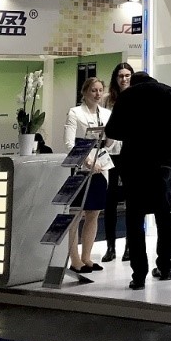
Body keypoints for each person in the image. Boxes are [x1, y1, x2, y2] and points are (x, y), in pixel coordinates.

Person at [103, 71, 171, 290]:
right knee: (164, 215)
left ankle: (139, 275)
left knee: (135, 218)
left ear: (133, 82)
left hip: (135, 163)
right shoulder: (169, 92)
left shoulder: (128, 96)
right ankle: (165, 268)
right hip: (164, 162)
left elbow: (112, 130)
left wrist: (133, 132)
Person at [63, 77, 111, 273]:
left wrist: (110, 143)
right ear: (84, 92)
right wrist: (86, 161)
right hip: (80, 167)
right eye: (93, 90)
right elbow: (69, 143)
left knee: (94, 213)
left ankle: (87, 257)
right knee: (76, 214)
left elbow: (110, 141)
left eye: (100, 90)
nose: (97, 94)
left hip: (101, 166)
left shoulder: (107, 114)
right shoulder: (75, 113)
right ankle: (75, 260)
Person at [101, 62, 134, 263]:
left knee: (132, 201)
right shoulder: (107, 100)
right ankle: (110, 246)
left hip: (131, 153)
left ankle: (130, 246)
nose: (124, 79)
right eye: (121, 76)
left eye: (127, 75)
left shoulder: (137, 96)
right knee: (110, 199)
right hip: (110, 153)